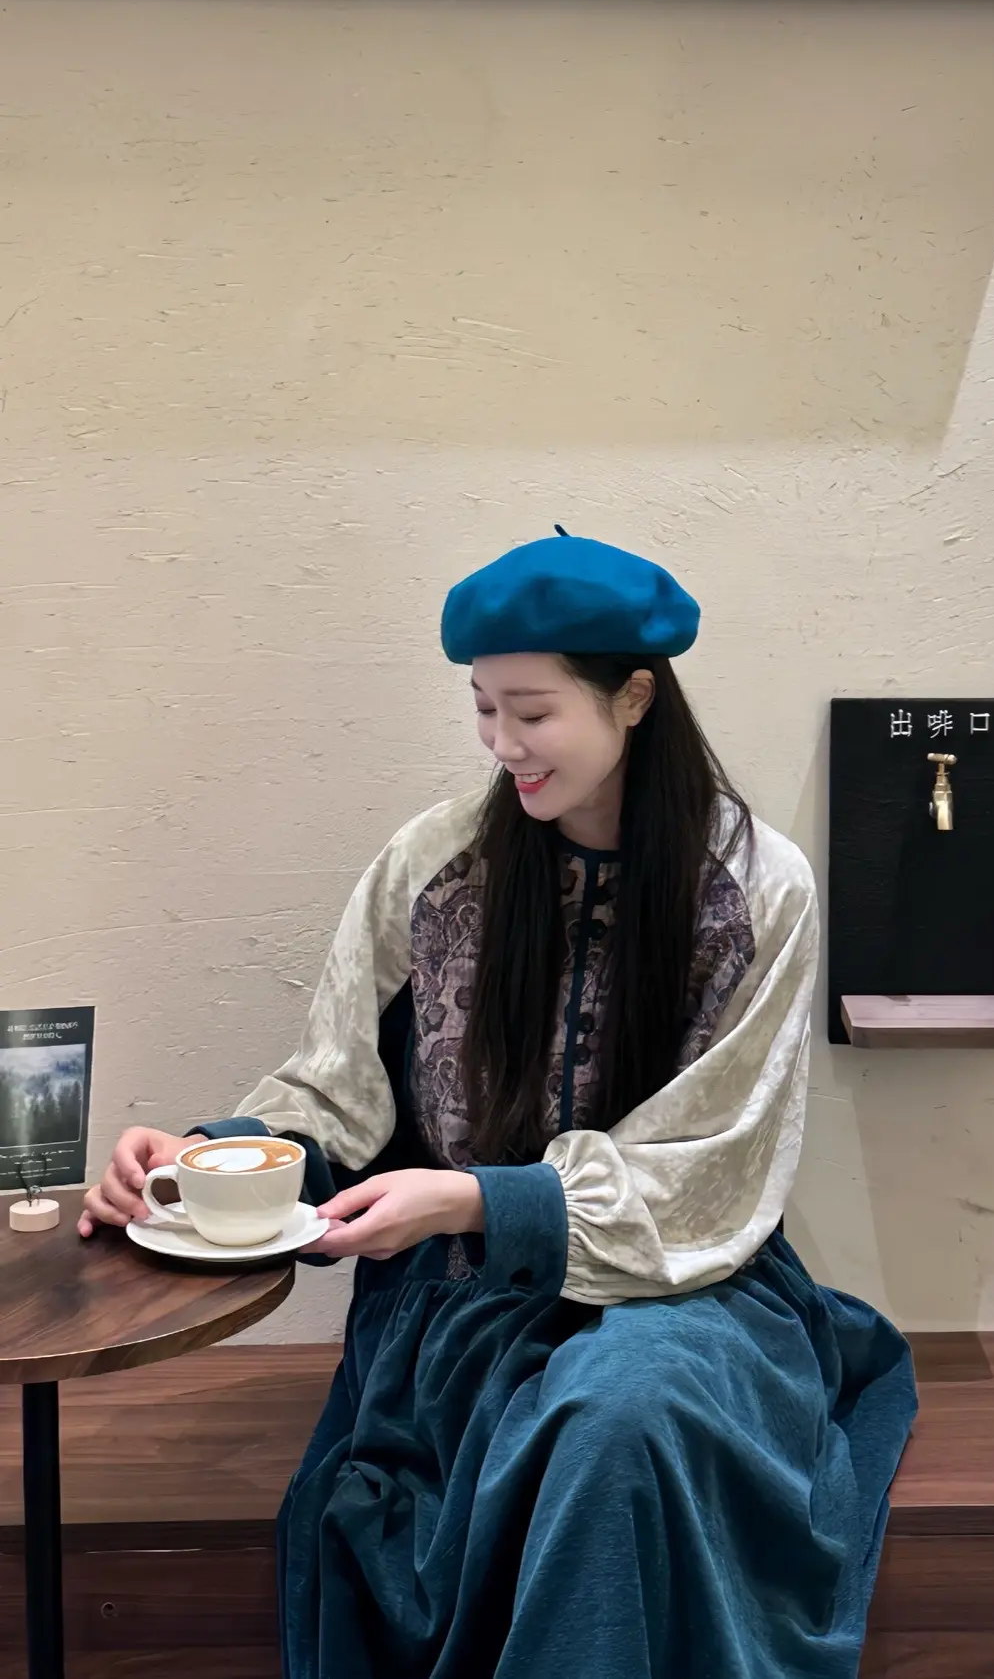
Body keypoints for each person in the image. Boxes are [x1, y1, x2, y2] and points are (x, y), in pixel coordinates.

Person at [78, 530, 918, 1679]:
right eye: (483, 709)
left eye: (532, 711)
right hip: (459, 1300)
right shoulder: (432, 867)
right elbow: (336, 1091)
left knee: (618, 1417)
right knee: (487, 1466)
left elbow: (716, 1162)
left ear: (634, 697)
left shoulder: (759, 890)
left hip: (692, 1286)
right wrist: (204, 1160)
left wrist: (481, 1199)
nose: (502, 745)